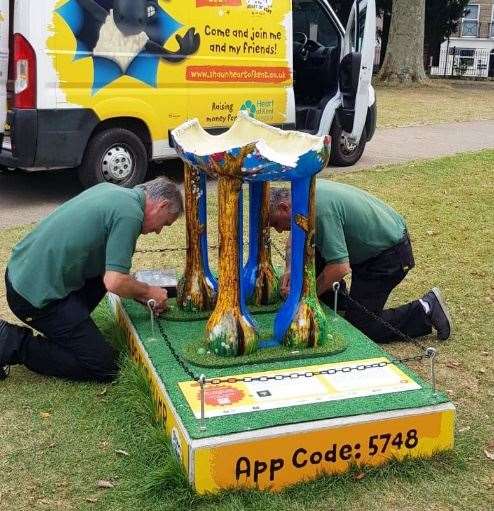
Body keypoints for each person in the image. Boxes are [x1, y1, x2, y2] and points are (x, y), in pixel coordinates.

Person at [0, 177, 183, 382]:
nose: (158, 231)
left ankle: (68, 331)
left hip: (22, 272)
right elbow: (114, 281)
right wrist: (148, 291)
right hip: (32, 297)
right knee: (106, 367)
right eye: (165, 223)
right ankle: (9, 341)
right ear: (162, 205)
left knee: (108, 272)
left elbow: (109, 271)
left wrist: (137, 293)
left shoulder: (113, 192)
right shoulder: (130, 215)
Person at [269, 181, 452, 344]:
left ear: (285, 207)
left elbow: (340, 268)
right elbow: (296, 236)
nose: (277, 231)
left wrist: (307, 297)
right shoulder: (303, 196)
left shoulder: (320, 210)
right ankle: (339, 301)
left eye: (275, 223)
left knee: (362, 326)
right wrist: (290, 269)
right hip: (369, 247)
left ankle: (426, 308)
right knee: (309, 255)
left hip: (388, 256)